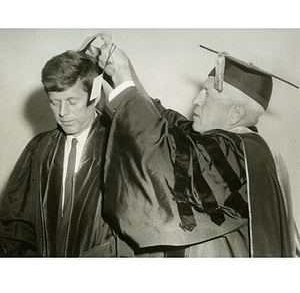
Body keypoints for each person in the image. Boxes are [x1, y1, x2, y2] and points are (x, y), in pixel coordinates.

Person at [98, 39, 300, 257]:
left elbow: (164, 159)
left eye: (208, 94)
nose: (196, 99)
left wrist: (123, 80)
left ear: (235, 114)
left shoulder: (241, 151)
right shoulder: (227, 146)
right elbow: (166, 123)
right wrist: (122, 71)